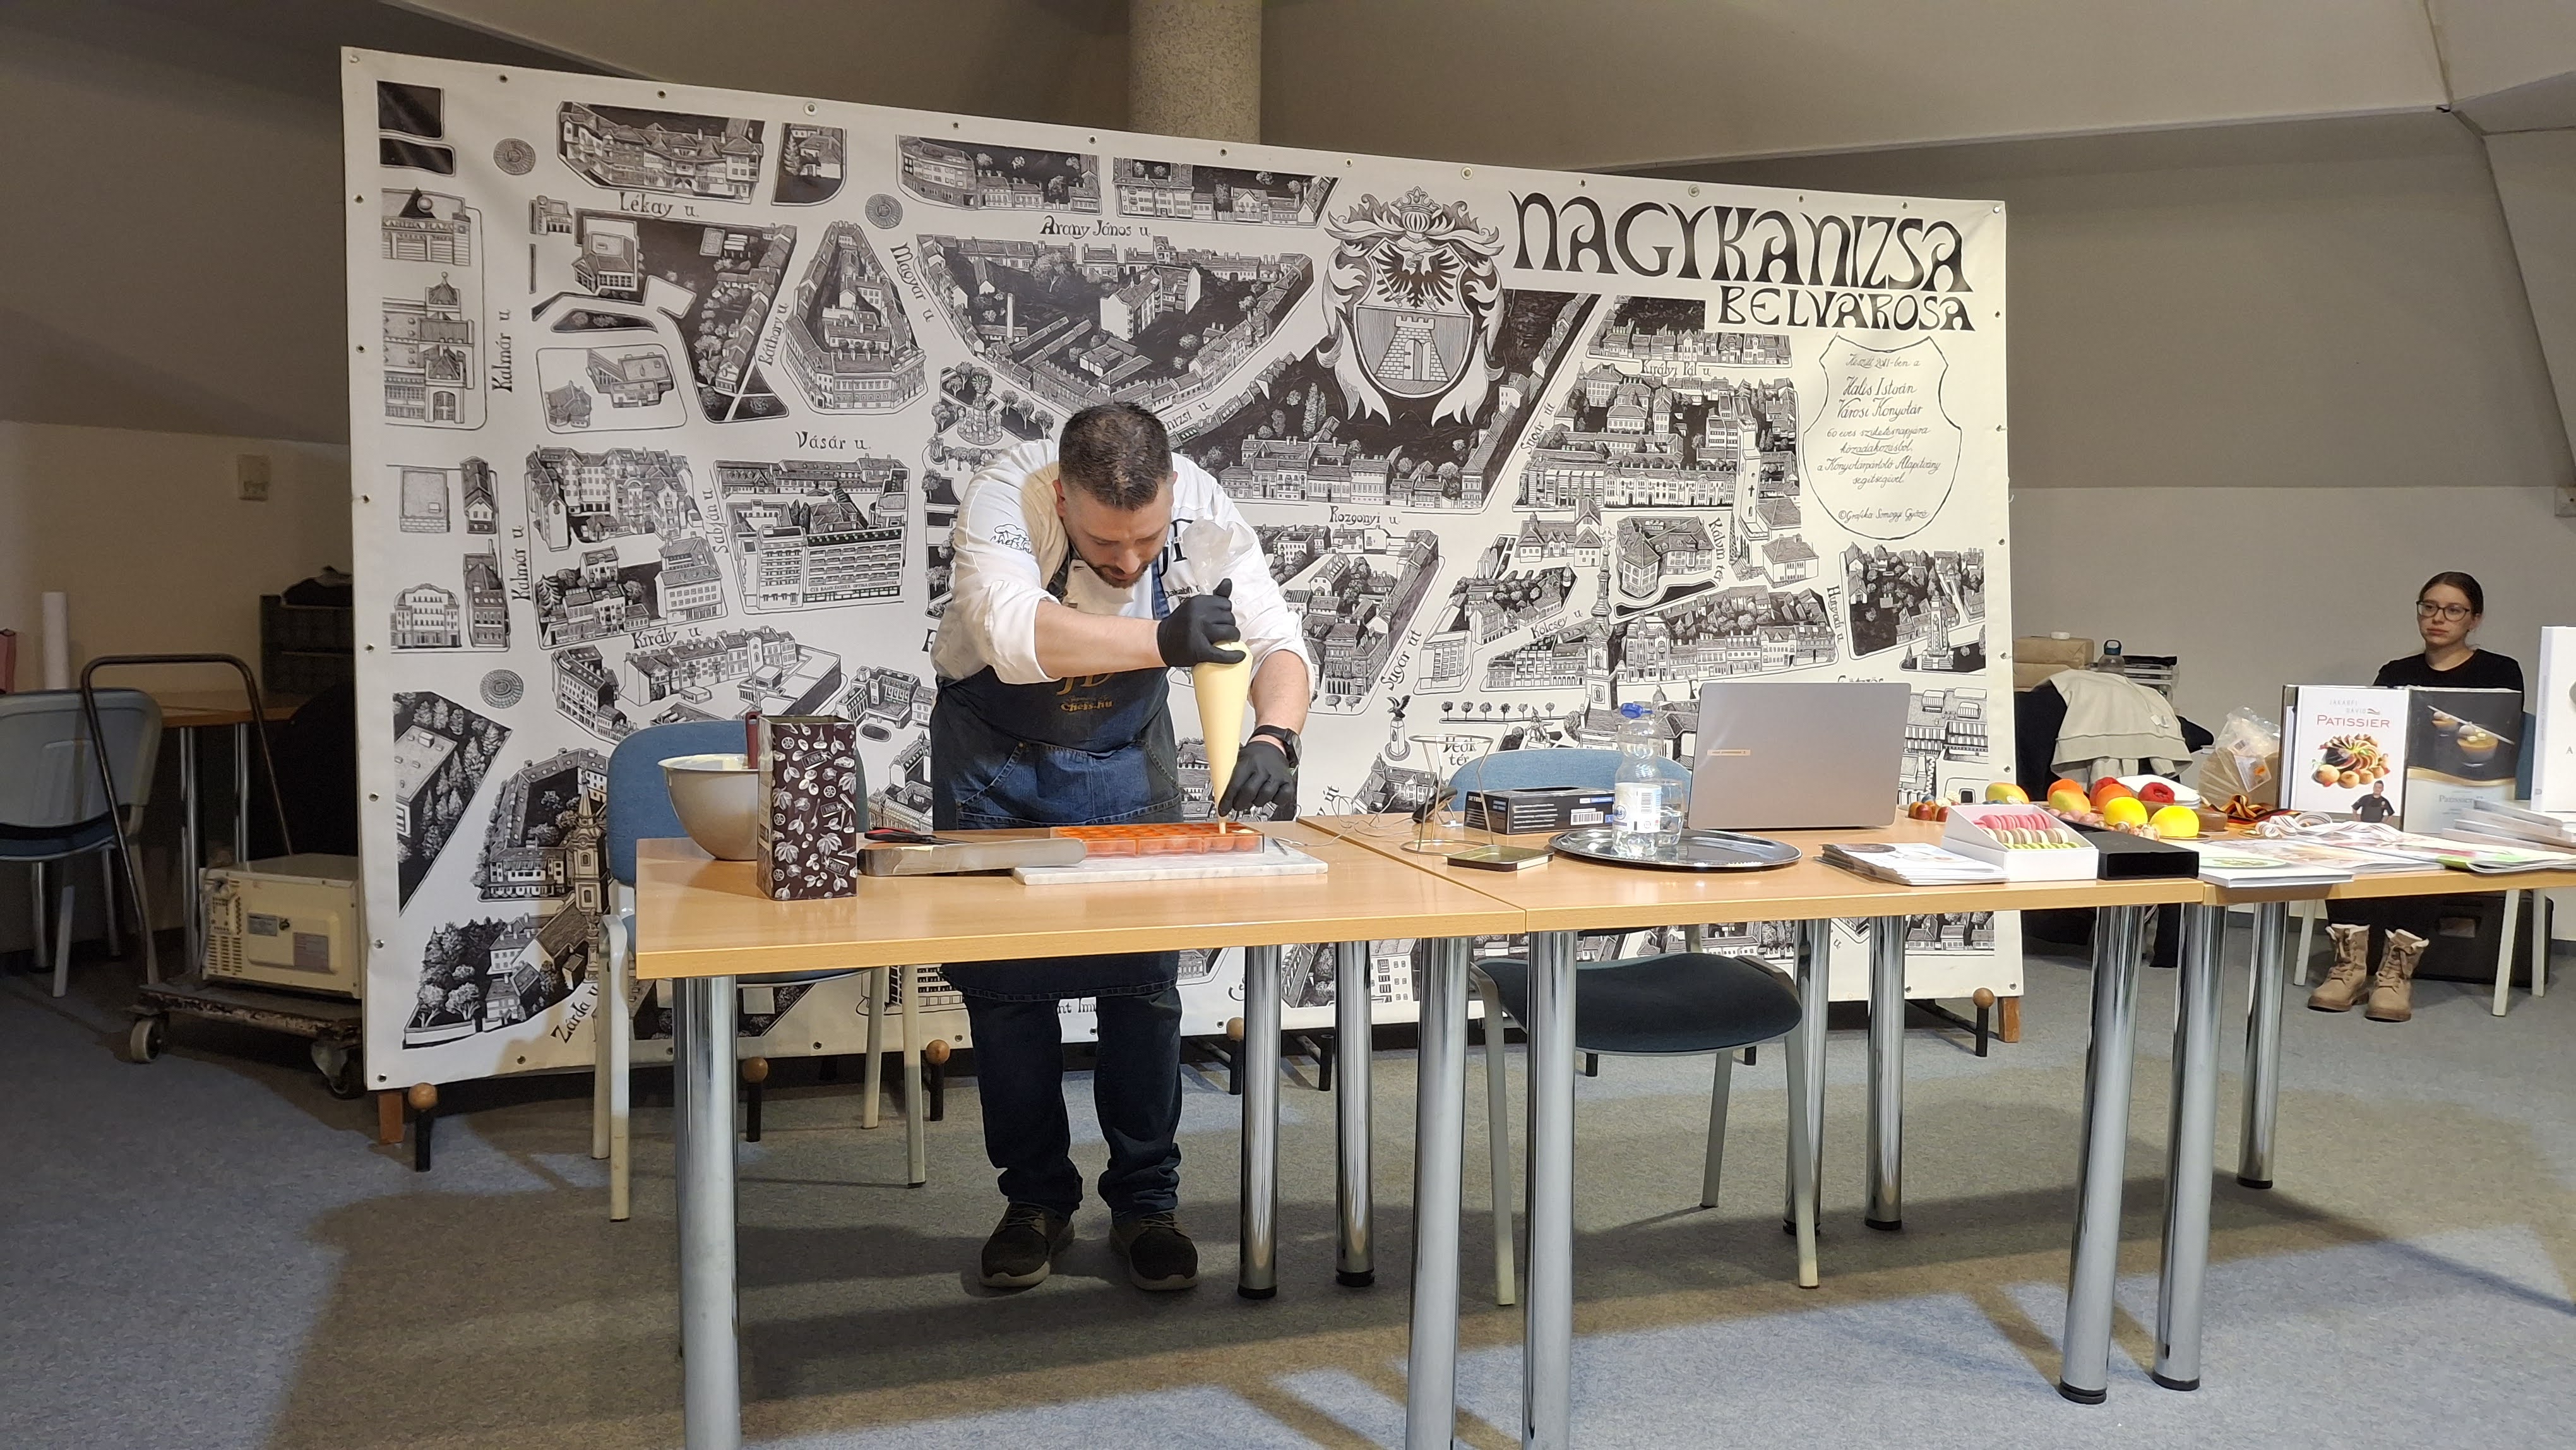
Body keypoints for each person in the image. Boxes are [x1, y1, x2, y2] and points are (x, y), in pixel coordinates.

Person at [929, 402, 1313, 1292]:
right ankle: (1035, 1200)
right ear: (1064, 500)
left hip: (1125, 760)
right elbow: (1013, 636)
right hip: (996, 763)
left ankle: (1147, 1203)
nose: (1132, 562)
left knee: (1143, 990)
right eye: (1106, 543)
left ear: (1171, 491)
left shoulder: (1202, 507)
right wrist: (1163, 638)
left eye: (1147, 539)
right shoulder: (1007, 494)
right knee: (1007, 996)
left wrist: (1276, 737)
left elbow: (1275, 640)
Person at [2310, 571, 2523, 1022]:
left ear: (2475, 619)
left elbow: (2498, 739)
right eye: (2429, 607)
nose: (2438, 618)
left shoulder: (2499, 671)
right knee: (2349, 836)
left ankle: (2396, 971)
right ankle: (2350, 966)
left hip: (2462, 799)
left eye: (2453, 610)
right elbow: (2373, 738)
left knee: (2427, 840)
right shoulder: (2395, 673)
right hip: (2398, 791)